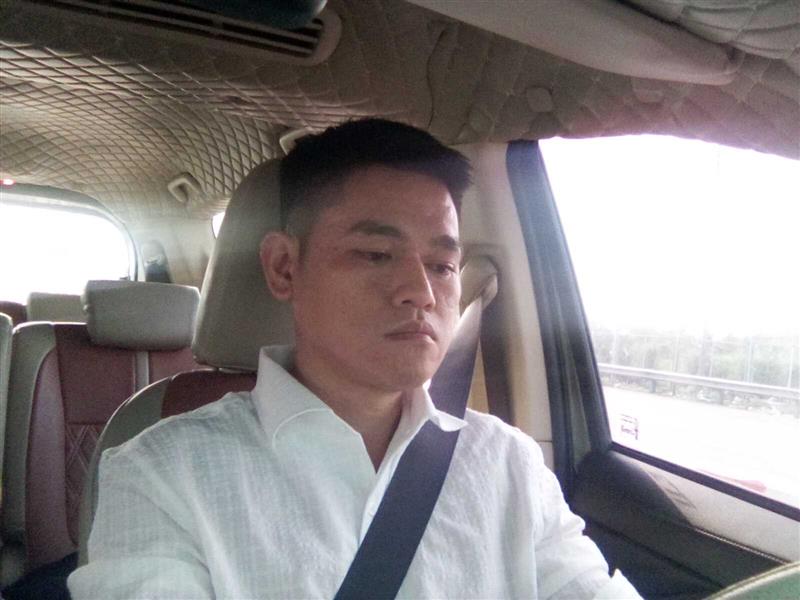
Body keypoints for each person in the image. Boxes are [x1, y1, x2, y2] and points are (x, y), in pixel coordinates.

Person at [68, 119, 641, 599]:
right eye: (375, 253)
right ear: (284, 268)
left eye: (442, 266)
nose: (420, 291)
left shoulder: (510, 465)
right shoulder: (162, 474)